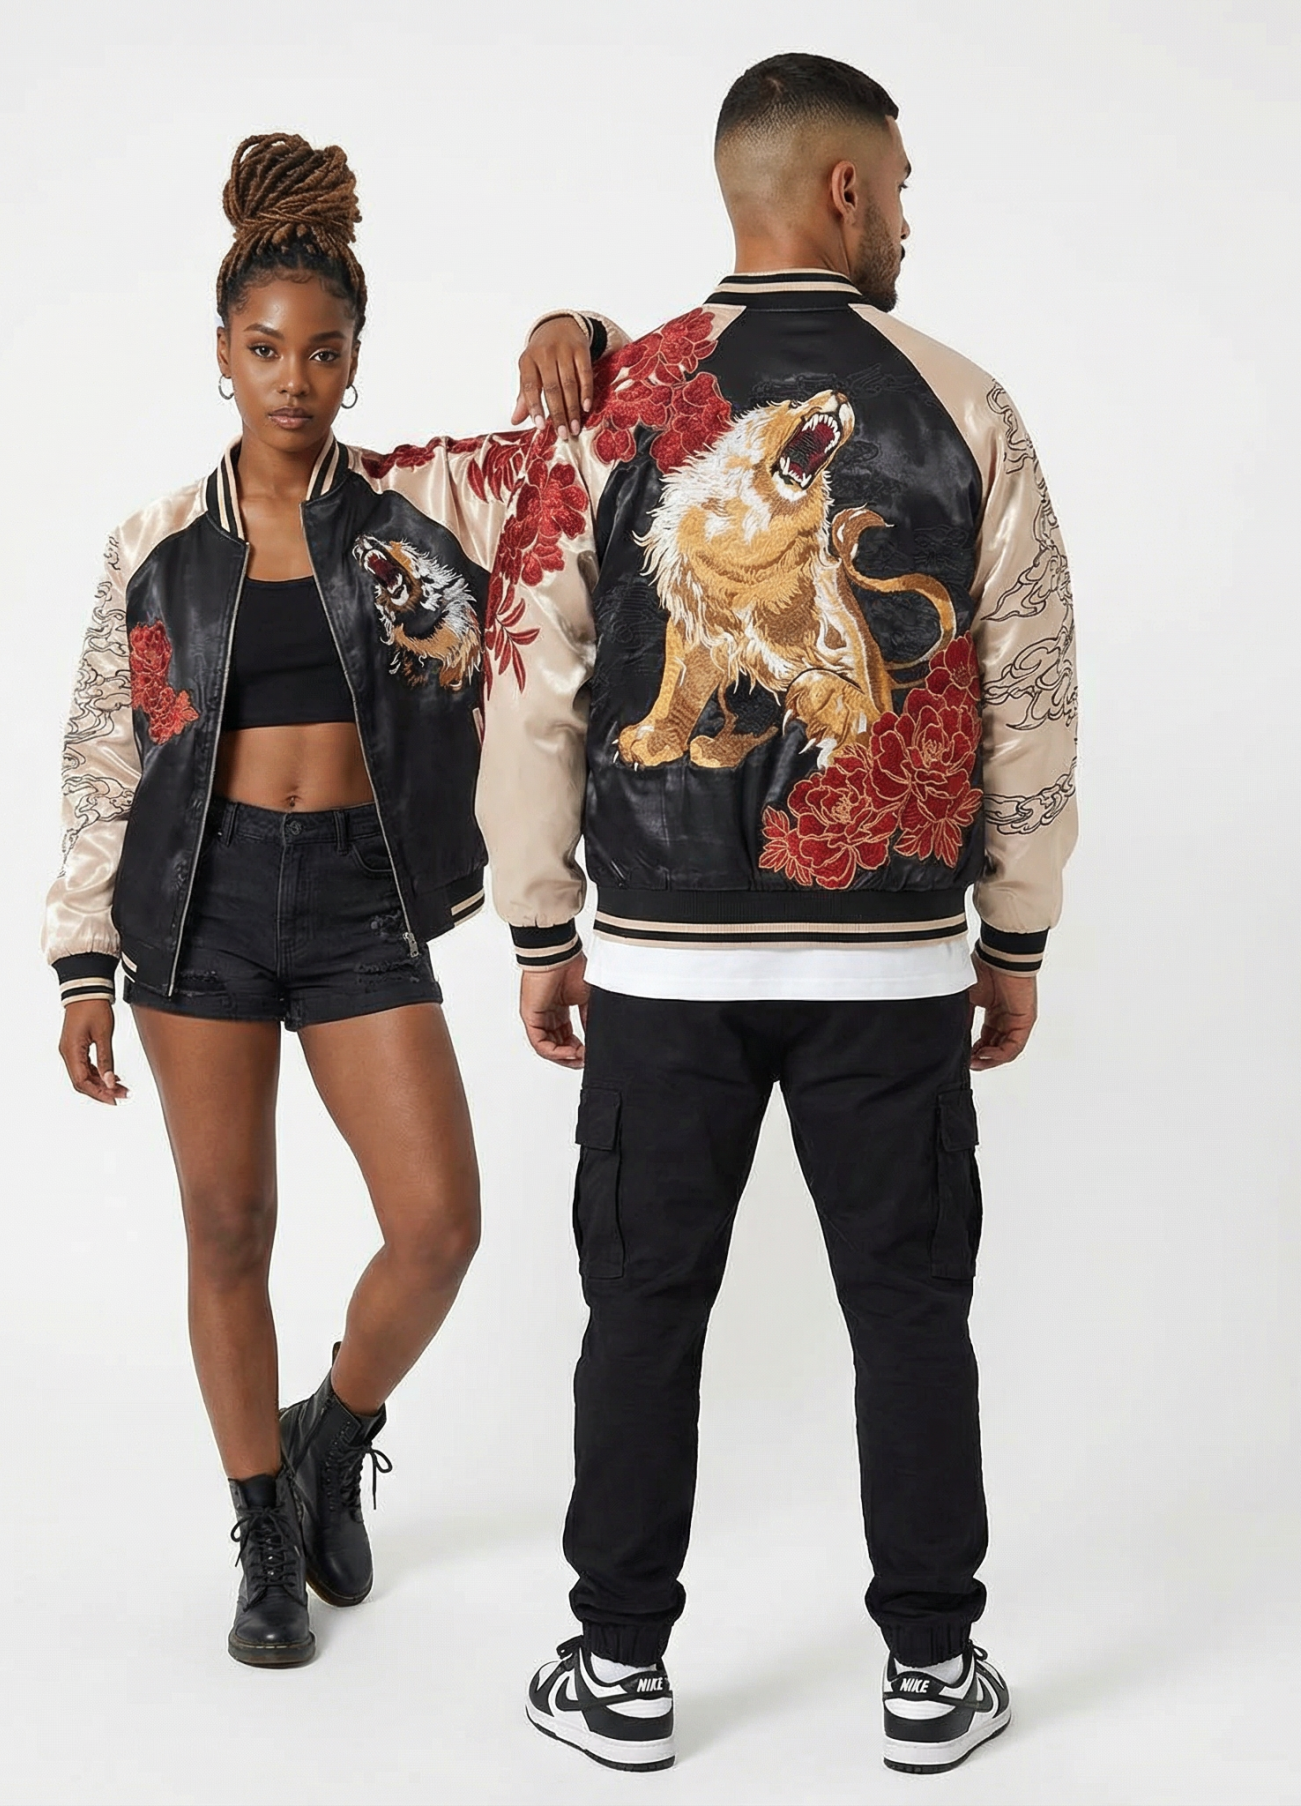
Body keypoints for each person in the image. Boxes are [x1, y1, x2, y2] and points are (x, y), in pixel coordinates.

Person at [477, 53, 1077, 1773]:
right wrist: (1014, 933)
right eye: (901, 186)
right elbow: (1035, 688)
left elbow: (530, 680)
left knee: (643, 1307)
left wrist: (542, 923)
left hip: (662, 964)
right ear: (842, 190)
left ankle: (618, 1668)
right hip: (890, 967)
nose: (908, 219)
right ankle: (931, 1672)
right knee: (910, 1309)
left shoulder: (618, 403)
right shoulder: (964, 402)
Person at [43, 130, 618, 1668]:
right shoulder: (156, 546)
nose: (292, 378)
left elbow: (603, 448)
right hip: (200, 905)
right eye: (264, 348)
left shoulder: (429, 503)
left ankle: (330, 1432)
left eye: (321, 351)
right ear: (222, 353)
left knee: (438, 1224)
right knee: (229, 1223)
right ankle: (260, 1538)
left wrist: (581, 334)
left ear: (355, 360)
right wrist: (82, 954)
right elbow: (105, 750)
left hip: (363, 900)